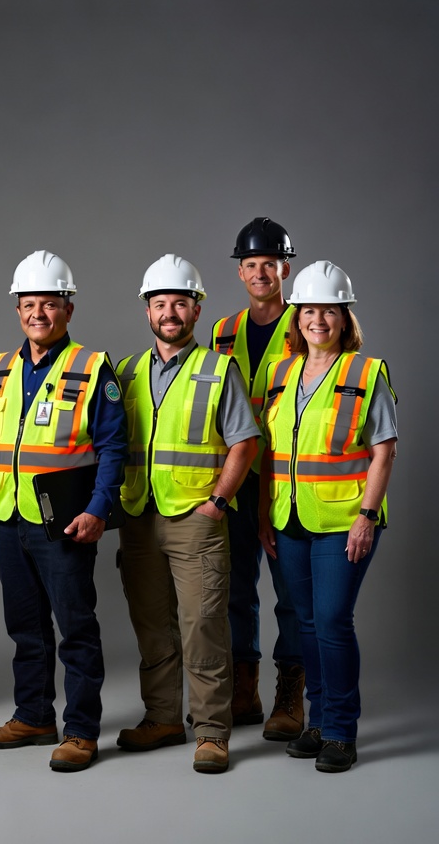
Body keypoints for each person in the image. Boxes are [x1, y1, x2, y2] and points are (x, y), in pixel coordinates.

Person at [0, 251, 126, 773]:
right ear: (17, 310)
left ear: (68, 310)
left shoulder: (92, 367)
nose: (38, 313)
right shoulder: (0, 368)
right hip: (10, 518)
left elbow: (113, 447)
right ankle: (34, 715)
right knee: (25, 627)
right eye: (28, 304)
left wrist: (99, 510)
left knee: (75, 626)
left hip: (64, 521)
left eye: (49, 304)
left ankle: (80, 730)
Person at [115, 254, 259, 774]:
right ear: (147, 311)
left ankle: (212, 733)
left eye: (180, 302)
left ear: (197, 311)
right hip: (138, 516)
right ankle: (162, 718)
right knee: (152, 626)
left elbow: (245, 440)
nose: (170, 311)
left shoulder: (219, 368)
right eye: (160, 303)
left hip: (197, 519)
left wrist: (219, 500)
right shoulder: (126, 371)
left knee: (203, 626)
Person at [258, 260, 397, 773]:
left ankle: (340, 730)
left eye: (329, 310)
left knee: (334, 622)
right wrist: (262, 513)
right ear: (296, 317)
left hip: (344, 519)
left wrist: (367, 515)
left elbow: (384, 451)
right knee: (307, 623)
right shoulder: (280, 373)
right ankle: (316, 721)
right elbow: (271, 452)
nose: (318, 319)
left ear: (345, 317)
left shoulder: (366, 372)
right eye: (309, 309)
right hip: (287, 517)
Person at [210, 218, 305, 739]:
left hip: (289, 480)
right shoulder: (223, 330)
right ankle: (243, 690)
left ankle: (290, 695)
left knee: (289, 592)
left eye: (270, 263)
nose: (261, 272)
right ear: (241, 270)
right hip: (236, 479)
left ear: (284, 268)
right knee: (236, 591)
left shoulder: (308, 324)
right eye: (251, 265)